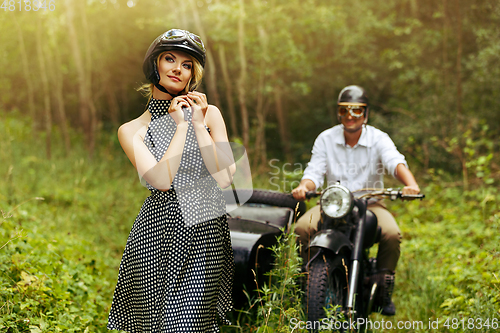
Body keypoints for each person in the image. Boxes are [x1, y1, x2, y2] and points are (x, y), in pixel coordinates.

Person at [107, 29, 236, 332]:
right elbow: (162, 180)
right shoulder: (132, 130)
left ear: (193, 75)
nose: (178, 68)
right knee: (152, 325)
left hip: (205, 232)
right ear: (155, 65)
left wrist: (199, 124)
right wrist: (180, 127)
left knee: (189, 324)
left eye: (187, 64)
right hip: (155, 234)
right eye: (169, 59)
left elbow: (225, 177)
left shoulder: (211, 115)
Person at [292, 85, 420, 316]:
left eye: (357, 111)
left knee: (391, 234)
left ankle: (383, 288)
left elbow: (394, 162)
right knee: (302, 228)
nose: (350, 116)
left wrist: (411, 185)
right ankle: (308, 282)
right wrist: (304, 186)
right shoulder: (326, 138)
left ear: (366, 113)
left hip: (370, 204)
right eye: (344, 110)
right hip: (333, 204)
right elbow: (314, 171)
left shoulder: (379, 138)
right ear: (338, 113)